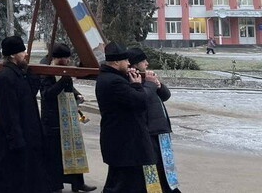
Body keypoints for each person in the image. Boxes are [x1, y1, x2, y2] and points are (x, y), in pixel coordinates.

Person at [0, 36, 49, 193]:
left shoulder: (17, 73)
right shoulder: (6, 77)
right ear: (12, 55)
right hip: (15, 139)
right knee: (2, 178)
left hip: (26, 135)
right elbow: (8, 113)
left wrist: (31, 76)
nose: (25, 54)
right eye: (21, 51)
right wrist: (16, 140)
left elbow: (28, 96)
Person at [96, 42, 158, 193]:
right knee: (124, 185)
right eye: (126, 60)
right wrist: (147, 84)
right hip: (125, 144)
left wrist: (135, 84)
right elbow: (140, 101)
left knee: (120, 182)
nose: (129, 63)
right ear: (116, 62)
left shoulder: (109, 77)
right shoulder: (114, 81)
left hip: (122, 144)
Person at [40, 43, 96, 193]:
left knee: (74, 150)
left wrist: (76, 93)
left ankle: (78, 183)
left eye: (68, 57)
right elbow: (48, 94)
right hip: (53, 120)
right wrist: (63, 81)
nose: (67, 60)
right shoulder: (47, 72)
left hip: (69, 117)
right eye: (64, 58)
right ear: (57, 58)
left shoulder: (65, 71)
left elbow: (68, 85)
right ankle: (55, 185)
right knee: (55, 155)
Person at [129, 48, 181, 193]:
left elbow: (165, 96)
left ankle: (170, 187)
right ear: (134, 64)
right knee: (154, 164)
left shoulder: (148, 77)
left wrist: (159, 85)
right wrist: (148, 84)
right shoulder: (133, 79)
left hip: (161, 127)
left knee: (167, 162)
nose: (147, 63)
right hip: (150, 129)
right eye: (143, 61)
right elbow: (141, 98)